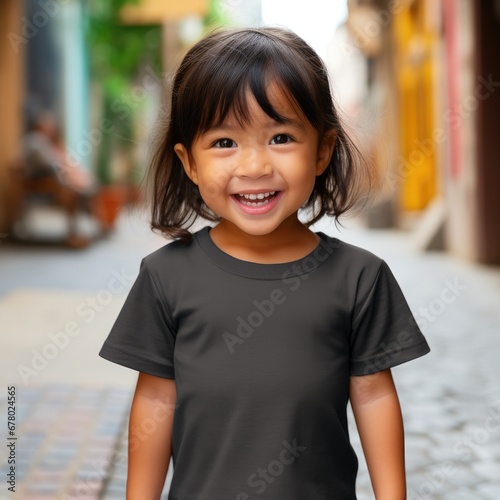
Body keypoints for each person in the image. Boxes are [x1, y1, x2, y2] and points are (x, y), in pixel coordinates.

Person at [99, 27, 430, 499]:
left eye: (280, 137)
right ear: (188, 162)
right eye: (224, 143)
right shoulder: (164, 277)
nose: (254, 166)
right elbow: (155, 399)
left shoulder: (360, 277)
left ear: (322, 150)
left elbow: (374, 394)